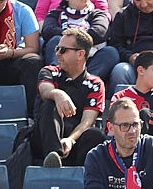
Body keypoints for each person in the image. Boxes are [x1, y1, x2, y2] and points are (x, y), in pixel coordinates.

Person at [31, 27, 107, 168]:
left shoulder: (95, 83)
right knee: (49, 104)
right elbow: (45, 90)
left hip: (73, 141)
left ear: (80, 54)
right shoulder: (49, 71)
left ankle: (79, 176)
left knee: (95, 134)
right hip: (44, 138)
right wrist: (58, 94)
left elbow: (87, 121)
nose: (58, 54)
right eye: (57, 49)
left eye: (63, 50)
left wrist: (70, 140)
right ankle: (52, 157)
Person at [39, 0, 118, 80]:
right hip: (63, 56)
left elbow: (100, 32)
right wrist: (76, 44)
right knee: (56, 40)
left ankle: (84, 82)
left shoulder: (97, 14)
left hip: (90, 58)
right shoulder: (55, 14)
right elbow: (48, 31)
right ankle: (57, 78)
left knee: (110, 52)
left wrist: (69, 39)